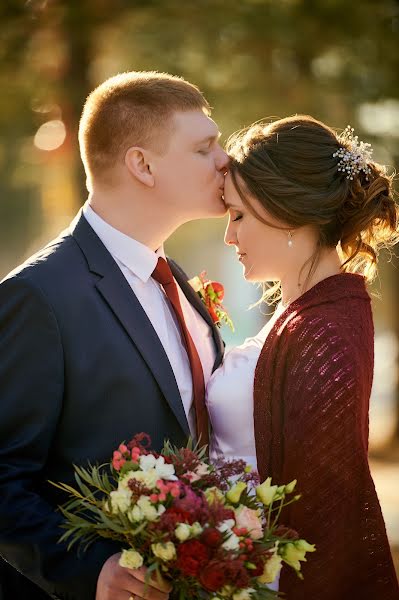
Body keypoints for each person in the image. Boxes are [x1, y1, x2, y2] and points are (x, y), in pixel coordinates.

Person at [0, 71, 228, 600]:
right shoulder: (38, 297)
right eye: (204, 147)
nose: (225, 160)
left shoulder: (181, 287)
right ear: (141, 164)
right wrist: (88, 570)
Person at [206, 115, 399, 598]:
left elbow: (326, 507)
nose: (229, 237)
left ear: (287, 211)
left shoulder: (325, 332)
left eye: (239, 216)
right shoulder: (305, 313)